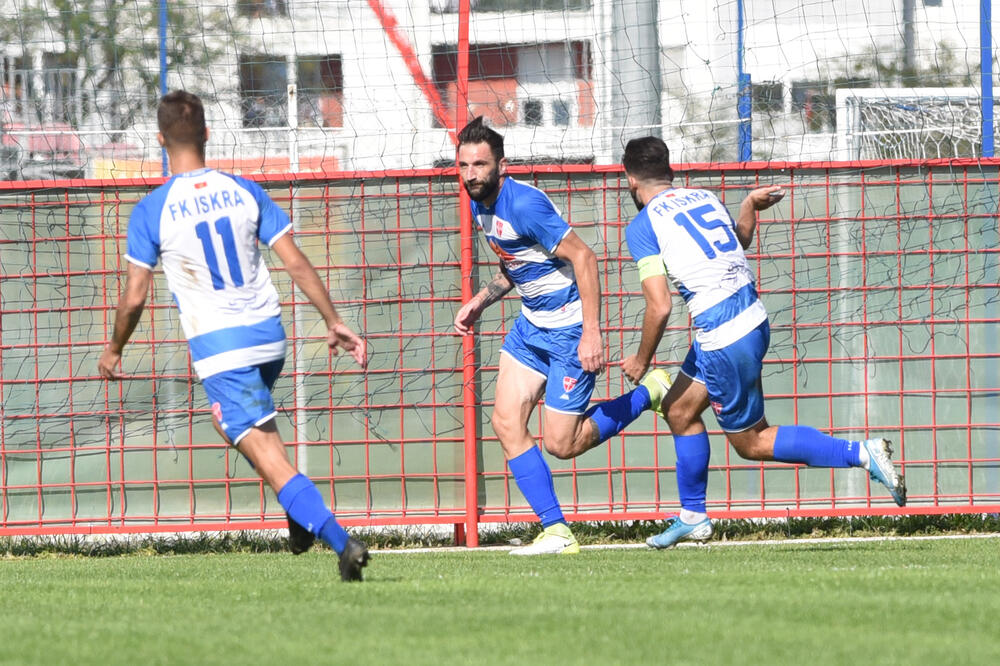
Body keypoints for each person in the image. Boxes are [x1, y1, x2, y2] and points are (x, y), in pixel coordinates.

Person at [97, 90, 370, 581]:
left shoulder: (153, 209)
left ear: (160, 140)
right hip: (269, 338)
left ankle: (340, 542)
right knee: (238, 426)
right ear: (206, 133)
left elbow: (134, 296)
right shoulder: (244, 189)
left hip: (221, 349)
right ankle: (297, 516)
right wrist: (333, 319)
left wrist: (115, 347)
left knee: (263, 452)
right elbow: (295, 261)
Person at [618, 136, 907, 549]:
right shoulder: (703, 196)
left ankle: (861, 453)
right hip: (750, 318)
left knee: (752, 442)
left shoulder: (642, 226)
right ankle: (693, 517)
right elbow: (739, 243)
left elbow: (659, 306)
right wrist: (748, 207)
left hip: (723, 336)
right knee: (680, 410)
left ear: (630, 180)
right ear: (670, 170)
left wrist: (641, 360)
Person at [453, 117, 672, 555]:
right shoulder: (481, 203)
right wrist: (482, 299)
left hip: (569, 331)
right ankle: (556, 531)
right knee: (505, 421)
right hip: (531, 327)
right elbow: (519, 262)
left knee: (561, 444)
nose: (471, 174)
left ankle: (650, 391)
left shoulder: (524, 205)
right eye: (464, 165)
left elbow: (585, 258)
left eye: (480, 164)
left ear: (502, 165)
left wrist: (591, 334)